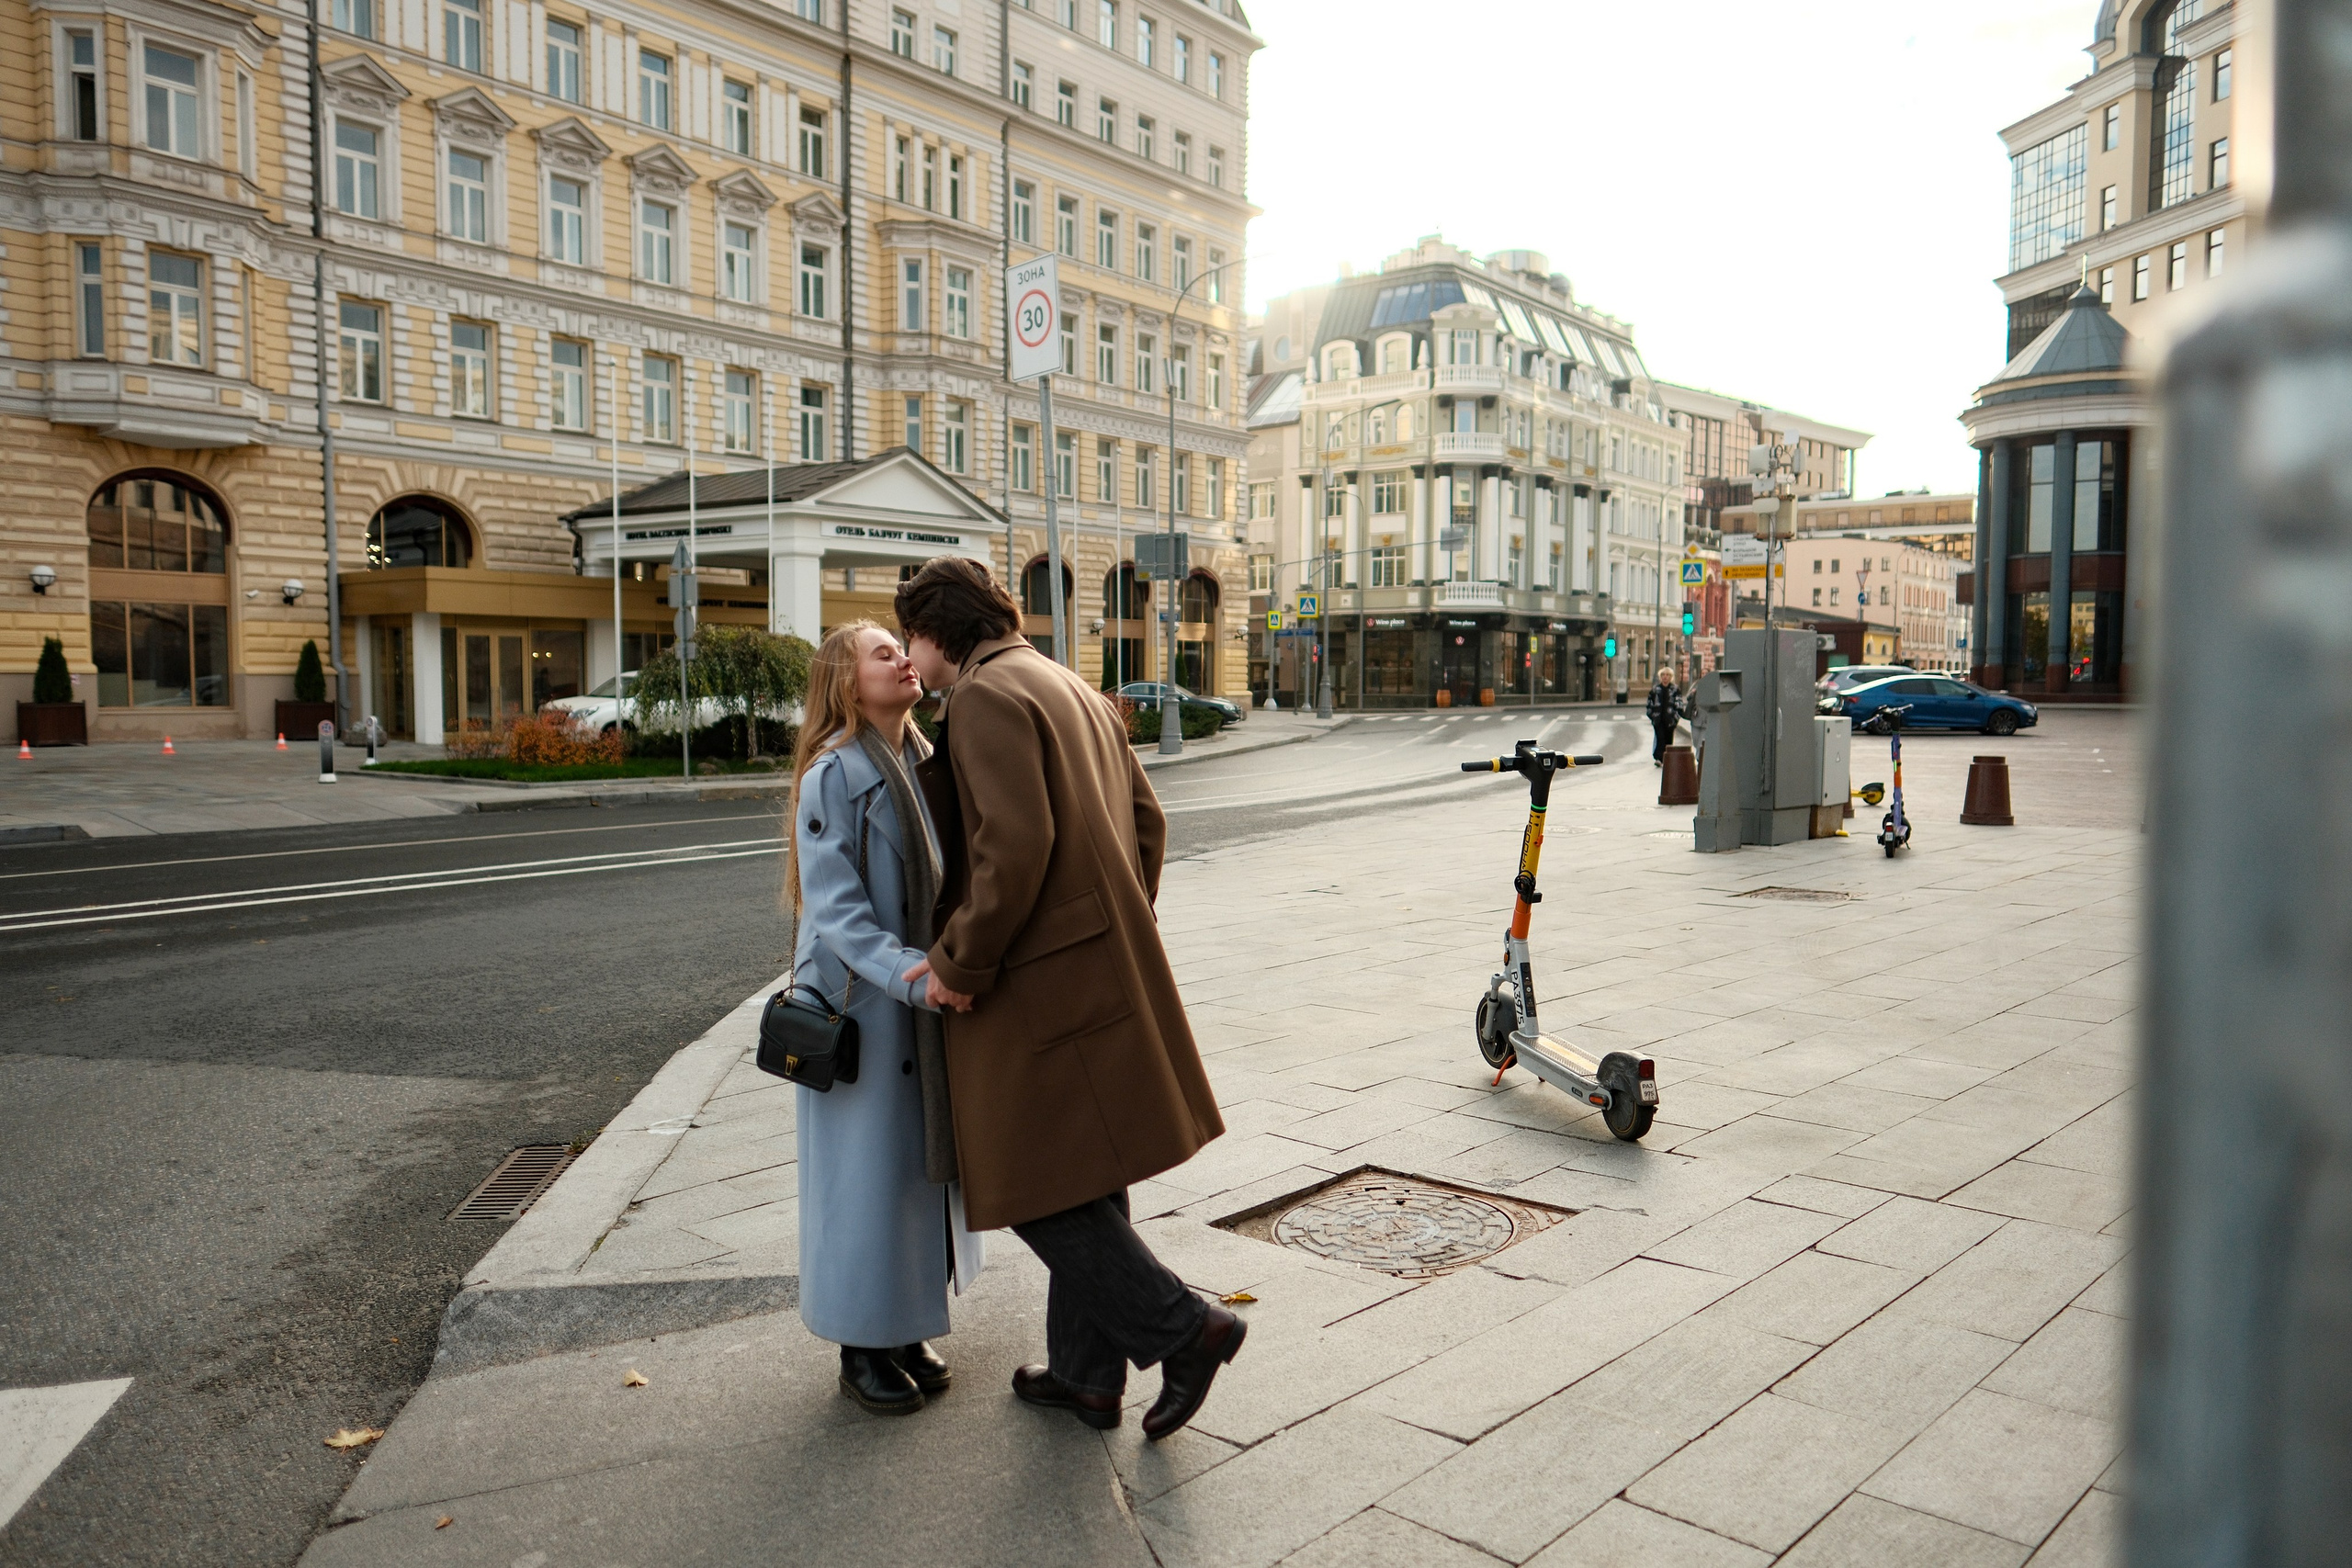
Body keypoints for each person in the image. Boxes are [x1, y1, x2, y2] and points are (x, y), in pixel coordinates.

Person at [890, 558, 1237, 1442]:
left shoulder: (982, 697)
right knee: (1085, 1165)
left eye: (913, 638)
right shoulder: (1067, 681)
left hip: (1034, 981)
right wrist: (1116, 914)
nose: (912, 658)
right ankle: (1087, 1376)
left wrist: (960, 964)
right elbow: (1147, 822)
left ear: (941, 629)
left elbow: (1015, 847)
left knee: (1028, 1178)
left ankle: (1183, 1328)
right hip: (1093, 962)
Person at [786, 621, 984, 1416]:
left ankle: (902, 1325)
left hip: (920, 998)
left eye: (902, 648)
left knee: (916, 1169)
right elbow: (837, 911)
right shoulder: (829, 776)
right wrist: (918, 978)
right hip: (861, 1006)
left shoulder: (927, 761)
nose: (903, 658)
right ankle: (858, 1344)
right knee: (862, 1181)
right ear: (845, 682)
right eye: (881, 652)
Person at [1645, 668, 1681, 765]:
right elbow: (1649, 704)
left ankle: (1667, 758)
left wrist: (1675, 717)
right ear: (1660, 677)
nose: (1665, 677)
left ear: (1671, 677)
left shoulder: (1675, 689)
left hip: (1670, 719)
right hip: (1658, 719)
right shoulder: (1655, 690)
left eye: (1667, 675)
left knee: (1669, 739)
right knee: (1660, 738)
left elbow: (1678, 704)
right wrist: (1652, 716)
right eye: (1663, 675)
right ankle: (1659, 758)